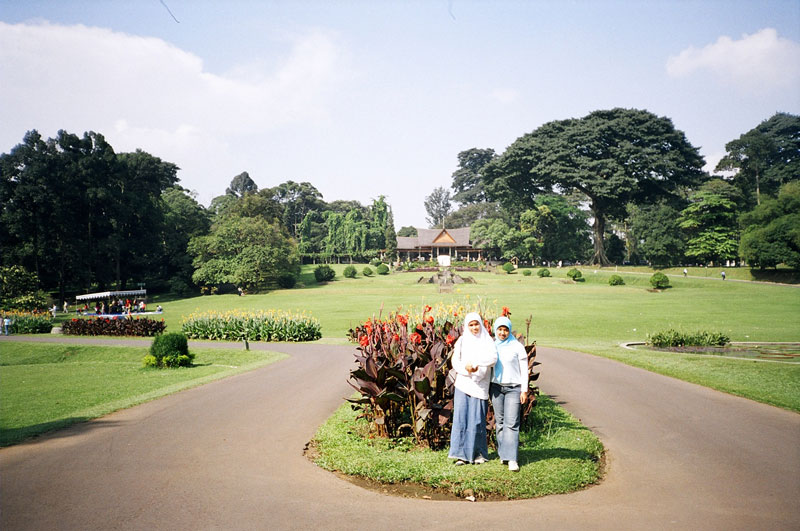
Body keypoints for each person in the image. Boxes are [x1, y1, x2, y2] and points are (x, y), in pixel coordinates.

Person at [448, 312, 497, 466]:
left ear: (480, 324)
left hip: (480, 385)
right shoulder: (462, 341)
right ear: (466, 326)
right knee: (461, 419)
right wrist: (467, 369)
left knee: (477, 420)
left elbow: (493, 358)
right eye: (471, 325)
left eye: (476, 324)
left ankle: (478, 454)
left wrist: (476, 364)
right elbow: (455, 361)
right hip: (463, 383)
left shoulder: (487, 340)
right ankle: (461, 454)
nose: (474, 327)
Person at [490, 316, 529, 472]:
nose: (502, 332)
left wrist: (524, 390)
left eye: (505, 329)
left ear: (509, 330)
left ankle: (512, 458)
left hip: (513, 388)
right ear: (495, 330)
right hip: (496, 388)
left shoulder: (517, 346)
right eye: (500, 329)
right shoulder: (492, 346)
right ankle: (503, 454)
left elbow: (524, 370)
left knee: (511, 423)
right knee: (499, 422)